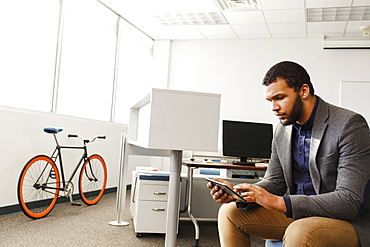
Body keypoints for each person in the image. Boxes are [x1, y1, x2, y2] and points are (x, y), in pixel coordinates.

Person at [207, 61, 370, 247]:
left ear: (304, 91)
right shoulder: (282, 130)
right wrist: (241, 195)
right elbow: (275, 182)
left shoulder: (349, 125)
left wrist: (281, 203)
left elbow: (348, 201)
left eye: (280, 98)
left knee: (300, 231)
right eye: (270, 101)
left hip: (346, 221)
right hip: (299, 214)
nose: (273, 107)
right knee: (229, 212)